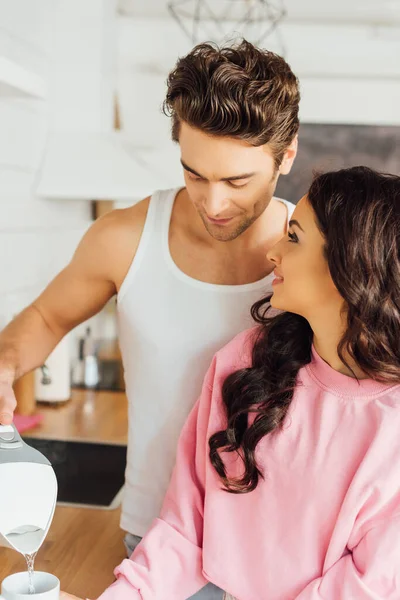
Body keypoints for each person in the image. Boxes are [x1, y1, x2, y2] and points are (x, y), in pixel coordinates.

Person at [0, 41, 299, 600]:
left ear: (286, 156)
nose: (213, 203)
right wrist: (4, 365)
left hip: (280, 544)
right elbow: (44, 317)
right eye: (194, 174)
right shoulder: (125, 237)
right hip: (159, 537)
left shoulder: (316, 256)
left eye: (238, 182)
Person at [62, 166, 400, 600]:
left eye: (293, 237)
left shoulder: (390, 428)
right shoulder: (244, 363)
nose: (273, 252)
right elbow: (187, 525)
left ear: (350, 265)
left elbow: (368, 584)